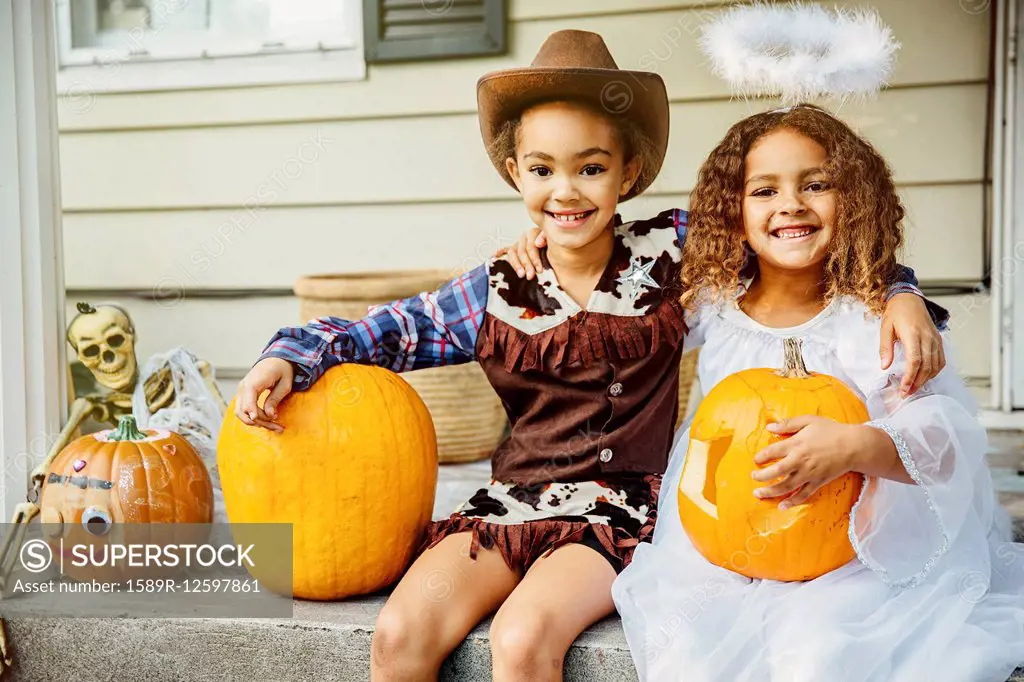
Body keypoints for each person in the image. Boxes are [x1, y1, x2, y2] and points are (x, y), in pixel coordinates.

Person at [234, 32, 945, 681]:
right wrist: (288, 356)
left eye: (590, 168)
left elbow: (797, 236)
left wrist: (898, 291)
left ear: (627, 172)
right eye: (542, 169)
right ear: (516, 173)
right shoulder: (494, 287)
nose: (565, 191)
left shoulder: (677, 252)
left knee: (522, 639)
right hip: (507, 507)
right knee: (397, 635)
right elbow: (381, 332)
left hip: (620, 514)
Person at [602, 104, 1024, 682]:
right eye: (763, 190)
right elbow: (610, 283)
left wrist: (853, 446)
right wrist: (547, 242)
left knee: (819, 652)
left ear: (852, 200)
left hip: (854, 548)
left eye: (816, 184)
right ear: (734, 210)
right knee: (691, 652)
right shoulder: (713, 304)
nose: (790, 204)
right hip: (721, 546)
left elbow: (942, 449)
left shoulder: (871, 320)